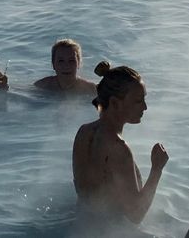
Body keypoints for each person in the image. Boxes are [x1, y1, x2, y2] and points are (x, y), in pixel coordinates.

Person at [72, 62, 168, 232]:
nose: (145, 107)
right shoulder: (118, 149)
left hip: (81, 225)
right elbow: (135, 215)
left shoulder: (84, 132)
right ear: (115, 103)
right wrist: (157, 169)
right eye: (138, 101)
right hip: (110, 231)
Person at [0, 38, 96, 95]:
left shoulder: (90, 89)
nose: (66, 65)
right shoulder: (44, 85)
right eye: (60, 61)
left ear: (79, 64)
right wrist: (4, 87)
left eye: (71, 60)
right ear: (53, 65)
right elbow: (21, 92)